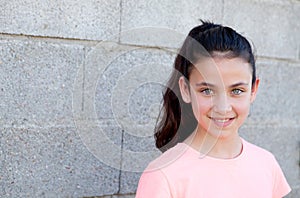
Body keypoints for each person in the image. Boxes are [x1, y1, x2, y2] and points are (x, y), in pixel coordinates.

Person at [135, 21, 291, 198]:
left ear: (253, 90)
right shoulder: (163, 175)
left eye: (237, 91)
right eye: (207, 91)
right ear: (185, 90)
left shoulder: (266, 163)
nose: (223, 107)